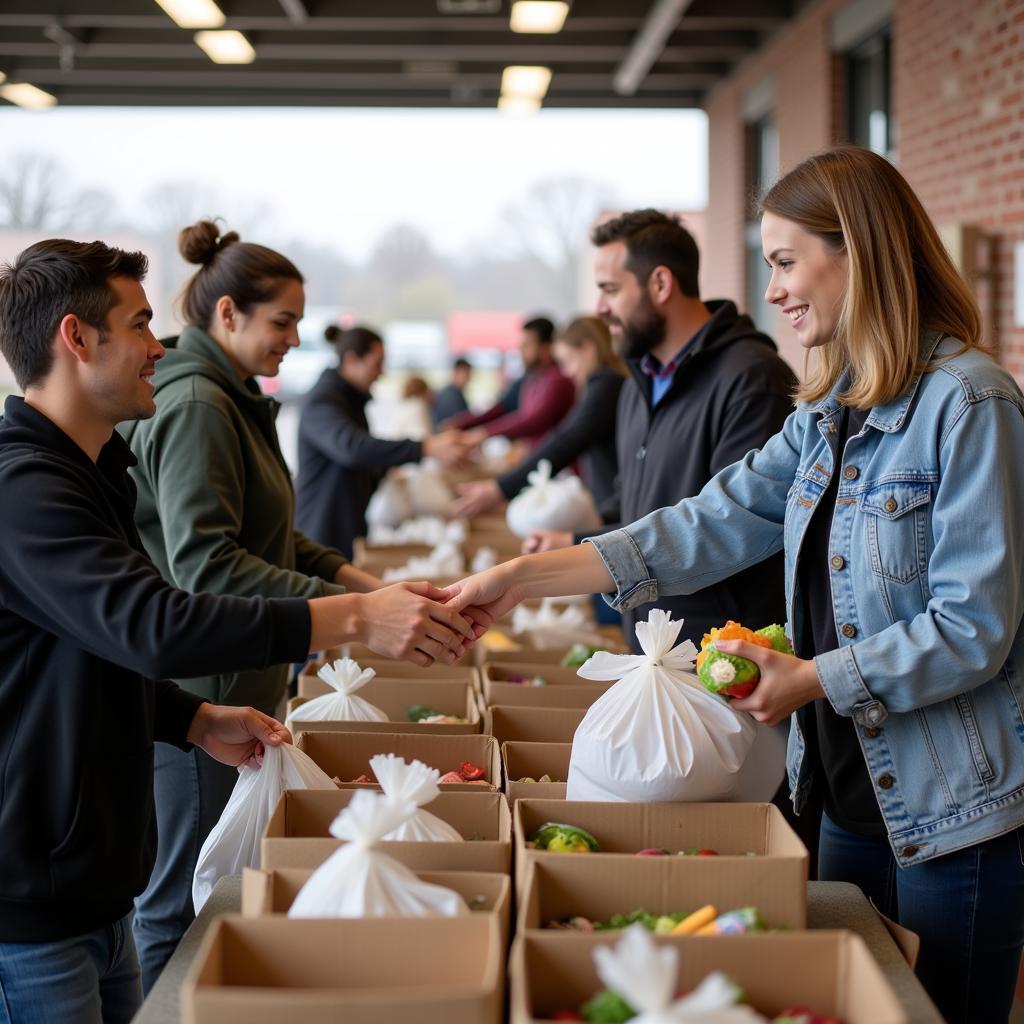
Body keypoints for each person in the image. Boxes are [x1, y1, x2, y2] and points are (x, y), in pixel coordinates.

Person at [445, 146, 1024, 1024]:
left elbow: (973, 626)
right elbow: (697, 525)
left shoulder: (971, 406)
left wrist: (812, 678)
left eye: (787, 262)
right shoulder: (825, 416)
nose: (776, 289)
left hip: (950, 809)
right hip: (838, 791)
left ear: (858, 252)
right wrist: (523, 578)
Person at [0, 239, 485, 1024]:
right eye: (139, 326)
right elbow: (155, 621)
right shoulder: (25, 490)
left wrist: (188, 716)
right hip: (31, 903)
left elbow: (89, 650)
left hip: (90, 889)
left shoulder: (92, 474)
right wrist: (358, 615)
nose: (159, 347)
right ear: (76, 338)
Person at [121, 221, 394, 991]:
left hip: (238, 676)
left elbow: (272, 540)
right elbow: (208, 563)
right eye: (282, 322)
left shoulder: (234, 397)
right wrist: (357, 615)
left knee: (203, 889)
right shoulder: (200, 405)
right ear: (229, 314)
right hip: (203, 688)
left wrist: (369, 586)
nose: (296, 340)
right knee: (179, 899)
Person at [522, 210, 796, 654]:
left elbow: (725, 532)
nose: (600, 308)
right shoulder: (638, 384)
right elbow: (640, 507)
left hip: (720, 667)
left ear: (661, 284)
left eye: (610, 289)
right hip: (653, 653)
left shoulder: (752, 379)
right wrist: (571, 543)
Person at [294, 325, 474, 558]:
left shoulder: (349, 400)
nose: (381, 373)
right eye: (376, 364)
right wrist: (425, 447)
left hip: (344, 522)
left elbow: (364, 458)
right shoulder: (322, 401)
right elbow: (353, 448)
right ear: (351, 360)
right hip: (322, 527)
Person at [451, 316, 626, 518]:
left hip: (603, 494)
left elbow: (562, 437)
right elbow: (503, 408)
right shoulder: (536, 379)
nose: (568, 372)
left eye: (568, 360)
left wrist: (501, 488)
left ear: (588, 349)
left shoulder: (604, 385)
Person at [449, 315, 575, 449]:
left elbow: (533, 420)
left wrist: (482, 434)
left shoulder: (558, 379)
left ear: (546, 348)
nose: (520, 351)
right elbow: (505, 409)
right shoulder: (532, 379)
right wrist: (462, 425)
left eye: (527, 345)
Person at [432, 357, 471, 427]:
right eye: (466, 373)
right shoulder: (449, 395)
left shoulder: (456, 393)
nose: (468, 378)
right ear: (455, 372)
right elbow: (458, 421)